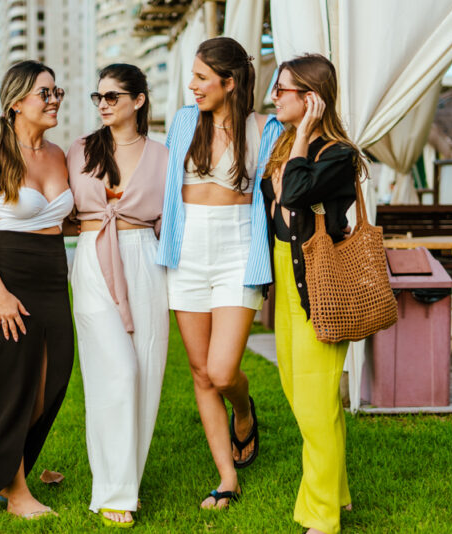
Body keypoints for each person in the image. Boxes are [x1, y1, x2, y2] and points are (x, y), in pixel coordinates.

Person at [157, 37, 282, 509]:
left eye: (202, 78)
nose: (192, 86)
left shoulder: (262, 129)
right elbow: (161, 184)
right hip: (187, 255)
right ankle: (227, 476)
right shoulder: (186, 123)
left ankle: (244, 411)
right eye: (193, 77)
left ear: (229, 83)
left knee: (222, 369)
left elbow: (280, 189)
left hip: (238, 254)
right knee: (200, 372)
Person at [0, 60, 74, 520]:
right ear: (16, 103)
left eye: (56, 91)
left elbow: (62, 220)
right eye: (44, 93)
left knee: (51, 385)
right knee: (14, 389)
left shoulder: (59, 154)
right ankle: (16, 490)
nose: (54, 100)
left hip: (53, 279)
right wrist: (0, 295)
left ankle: (3, 468)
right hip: (7, 279)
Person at [261, 53, 363, 534]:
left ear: (312, 98)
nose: (274, 97)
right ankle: (337, 492)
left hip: (321, 278)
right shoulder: (282, 147)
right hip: (288, 275)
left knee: (315, 400)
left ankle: (320, 517)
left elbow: (296, 196)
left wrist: (302, 136)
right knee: (299, 392)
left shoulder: (339, 154)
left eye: (283, 90)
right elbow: (277, 211)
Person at [67, 63, 169, 528]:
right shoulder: (81, 151)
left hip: (143, 256)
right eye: (98, 97)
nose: (103, 104)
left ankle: (126, 483)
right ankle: (111, 490)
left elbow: (170, 223)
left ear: (138, 101)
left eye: (112, 96)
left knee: (144, 372)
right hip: (92, 258)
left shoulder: (162, 156)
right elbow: (58, 206)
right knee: (115, 372)